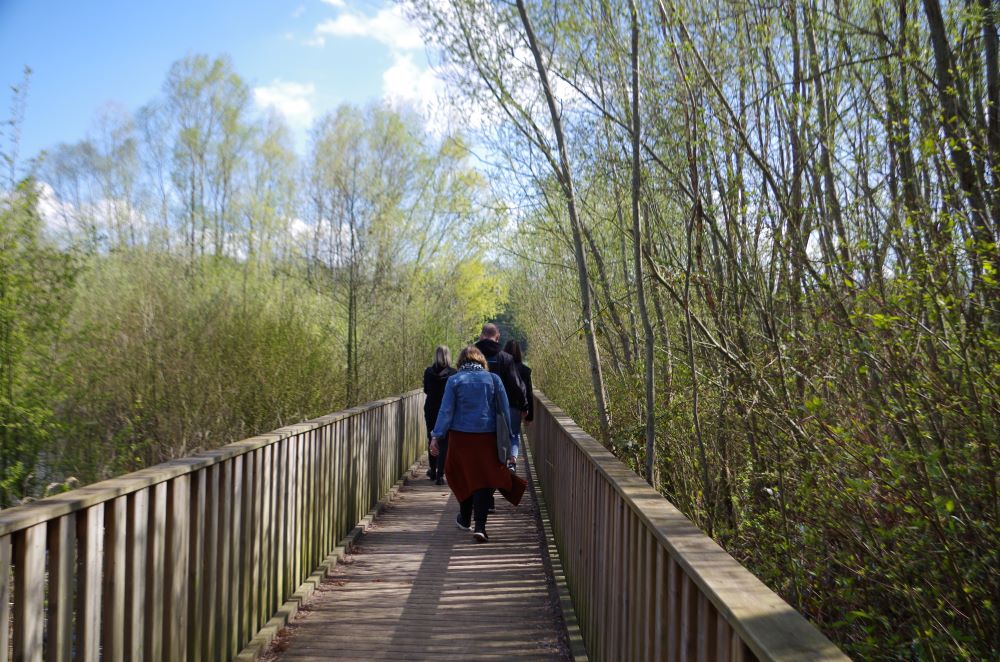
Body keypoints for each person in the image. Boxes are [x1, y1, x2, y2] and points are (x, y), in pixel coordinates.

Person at [430, 346, 527, 543]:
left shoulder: (454, 380)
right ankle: (480, 526)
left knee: (461, 475)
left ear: (461, 362)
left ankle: (465, 517)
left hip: (461, 438)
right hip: (487, 437)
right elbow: (504, 412)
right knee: (483, 479)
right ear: (481, 361)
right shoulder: (493, 379)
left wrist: (436, 436)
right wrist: (508, 440)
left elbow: (446, 411)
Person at [423, 345, 457, 485]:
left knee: (432, 437)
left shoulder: (428, 372)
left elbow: (426, 390)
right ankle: (440, 474)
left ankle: (432, 469)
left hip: (431, 407)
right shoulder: (453, 372)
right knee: (444, 441)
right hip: (446, 408)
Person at [502, 339, 533, 472]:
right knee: (514, 434)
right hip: (516, 407)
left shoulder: (500, 368)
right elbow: (529, 393)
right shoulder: (524, 370)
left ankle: (502, 461)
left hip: (501, 407)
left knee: (501, 434)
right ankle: (513, 461)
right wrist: (529, 414)